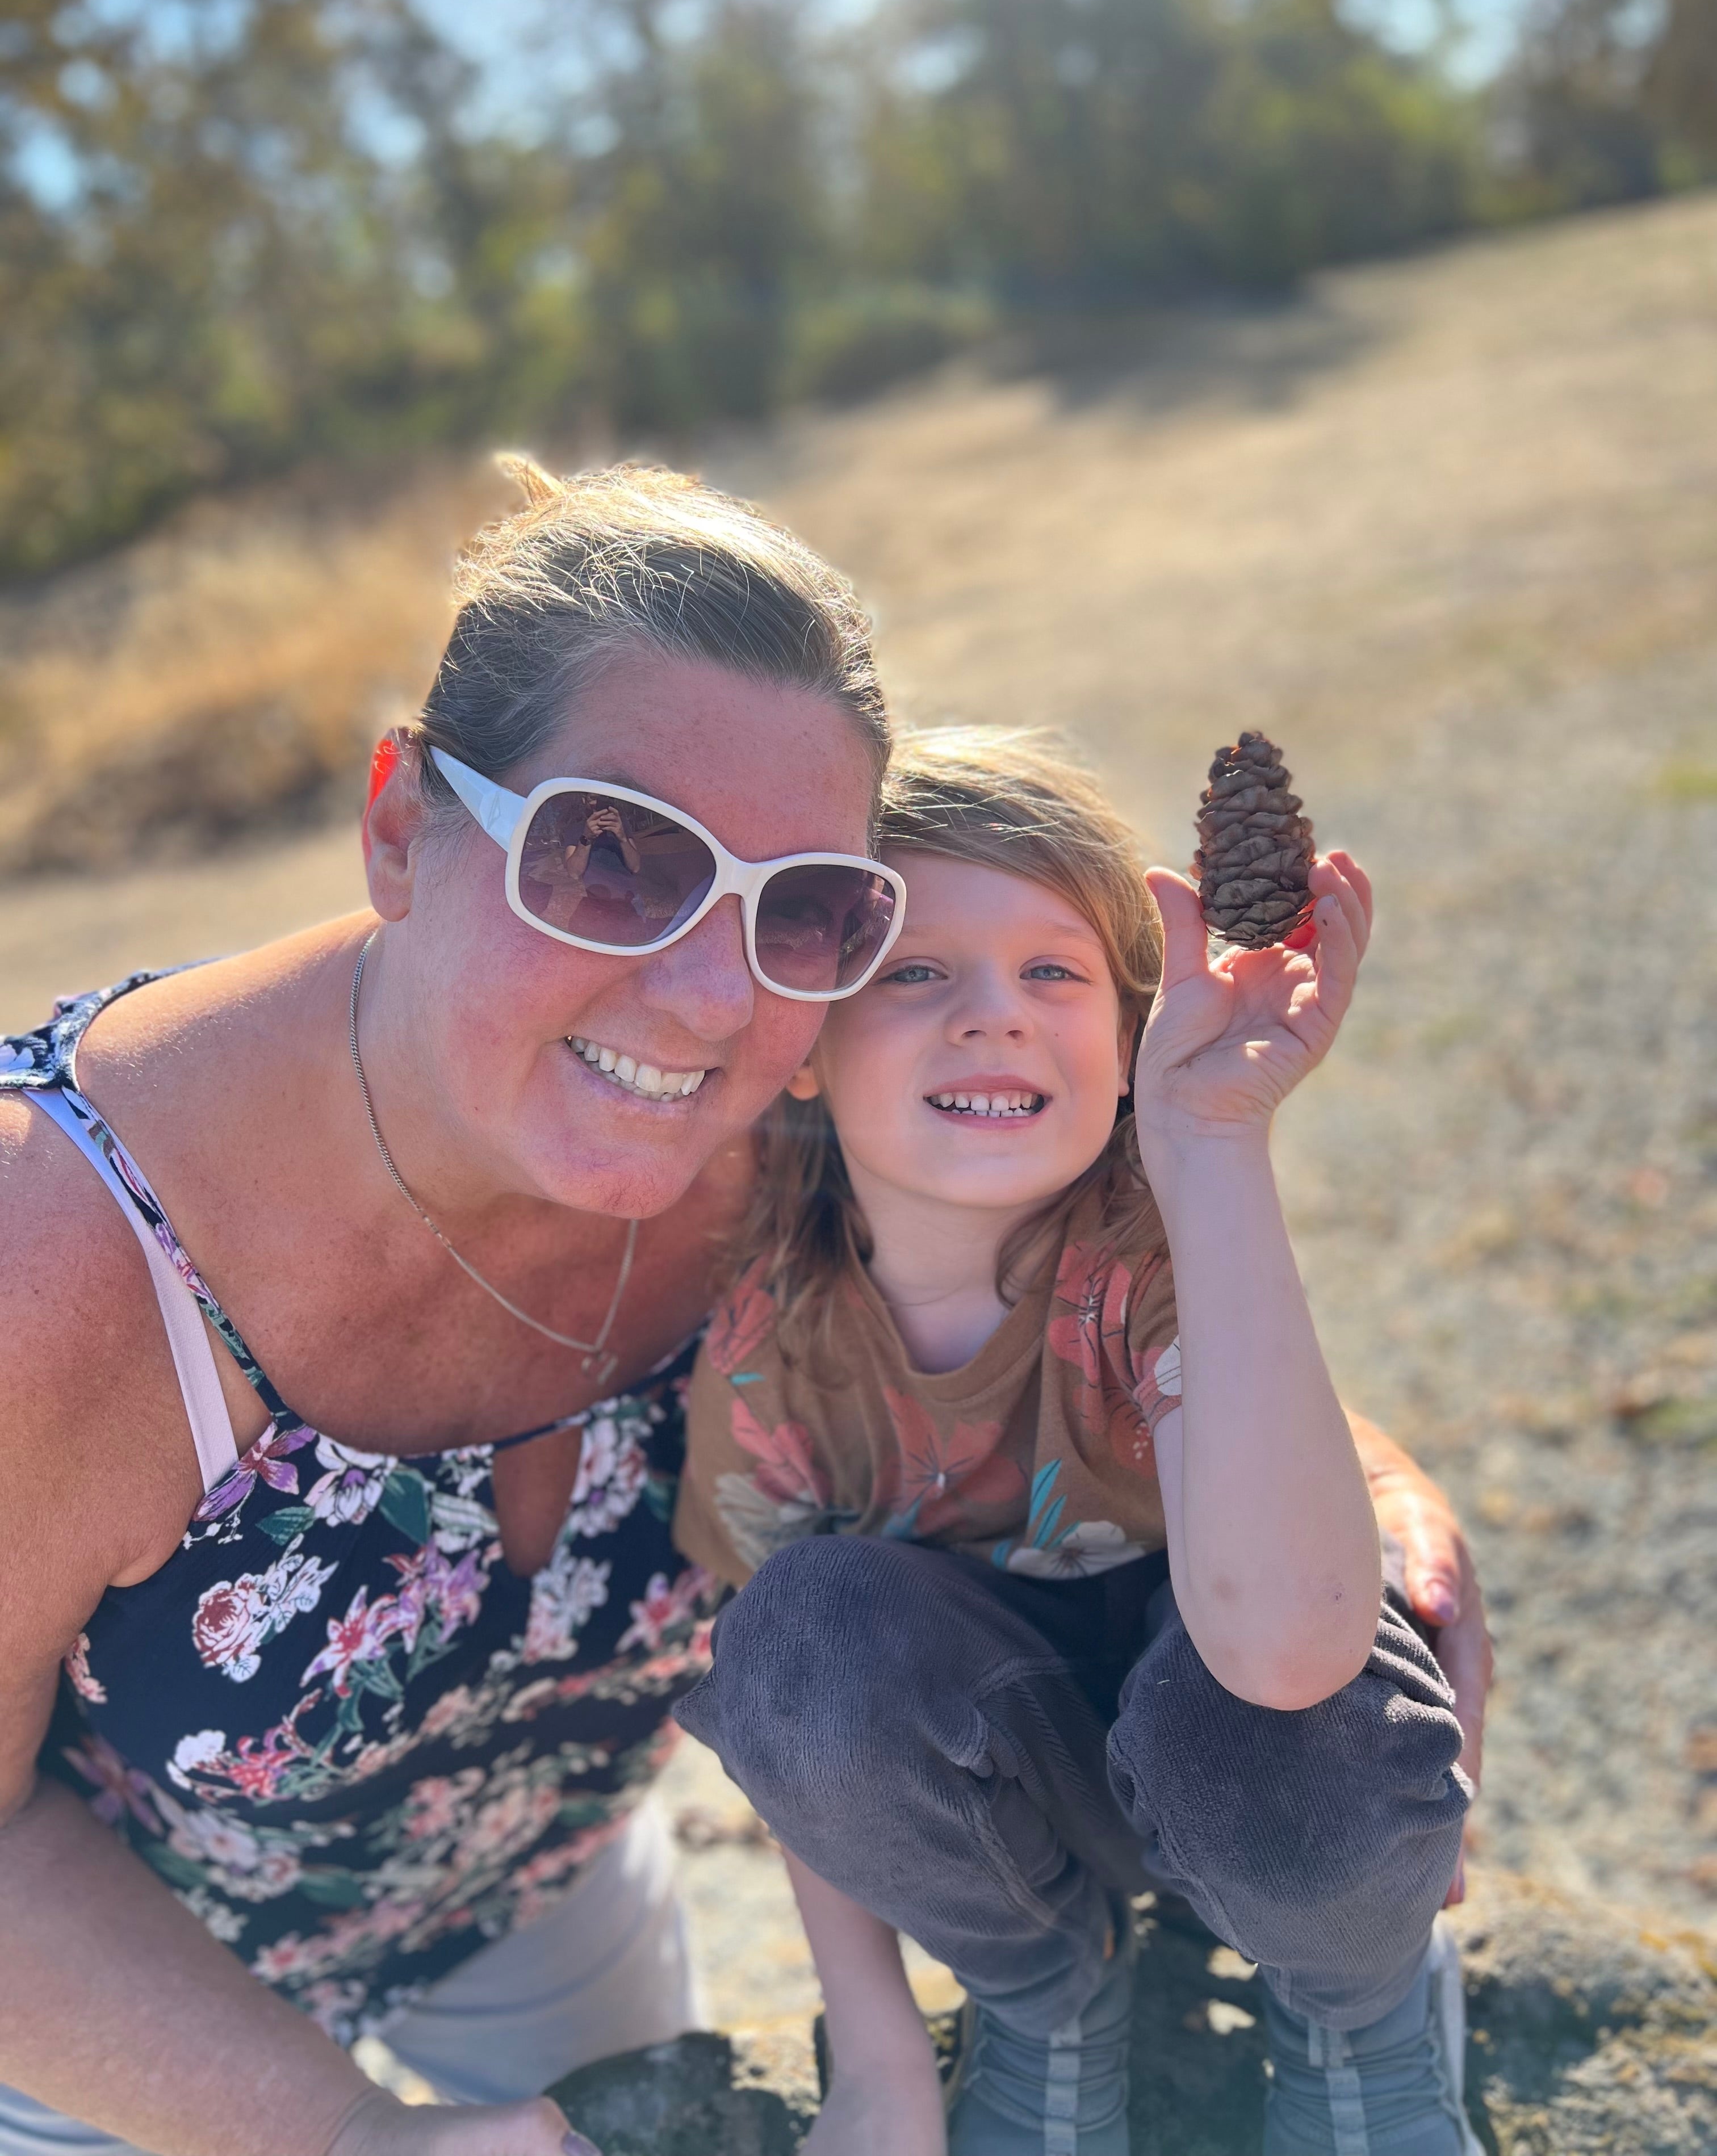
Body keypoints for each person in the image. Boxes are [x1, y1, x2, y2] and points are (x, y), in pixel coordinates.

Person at [0, 458, 1488, 2156]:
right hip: (103, 2020)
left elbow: (1082, 1294)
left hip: (555, 1912)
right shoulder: (52, 1260)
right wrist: (349, 2135)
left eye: (812, 910)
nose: (713, 995)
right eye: (614, 857)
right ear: (405, 823)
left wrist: (1372, 1493)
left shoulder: (776, 1101)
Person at [676, 730, 1480, 2155]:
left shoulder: (1157, 1255)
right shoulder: (763, 1341)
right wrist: (875, 2060)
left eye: (1055, 970)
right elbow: (787, 1734)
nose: (994, 1015)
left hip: (1262, 1769)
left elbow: (1292, 1653)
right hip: (1023, 1801)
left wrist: (1214, 1142)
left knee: (1291, 1697)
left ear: (1126, 1040)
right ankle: (1051, 1992)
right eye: (914, 970)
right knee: (789, 1640)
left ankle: (1362, 2012)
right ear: (799, 1044)